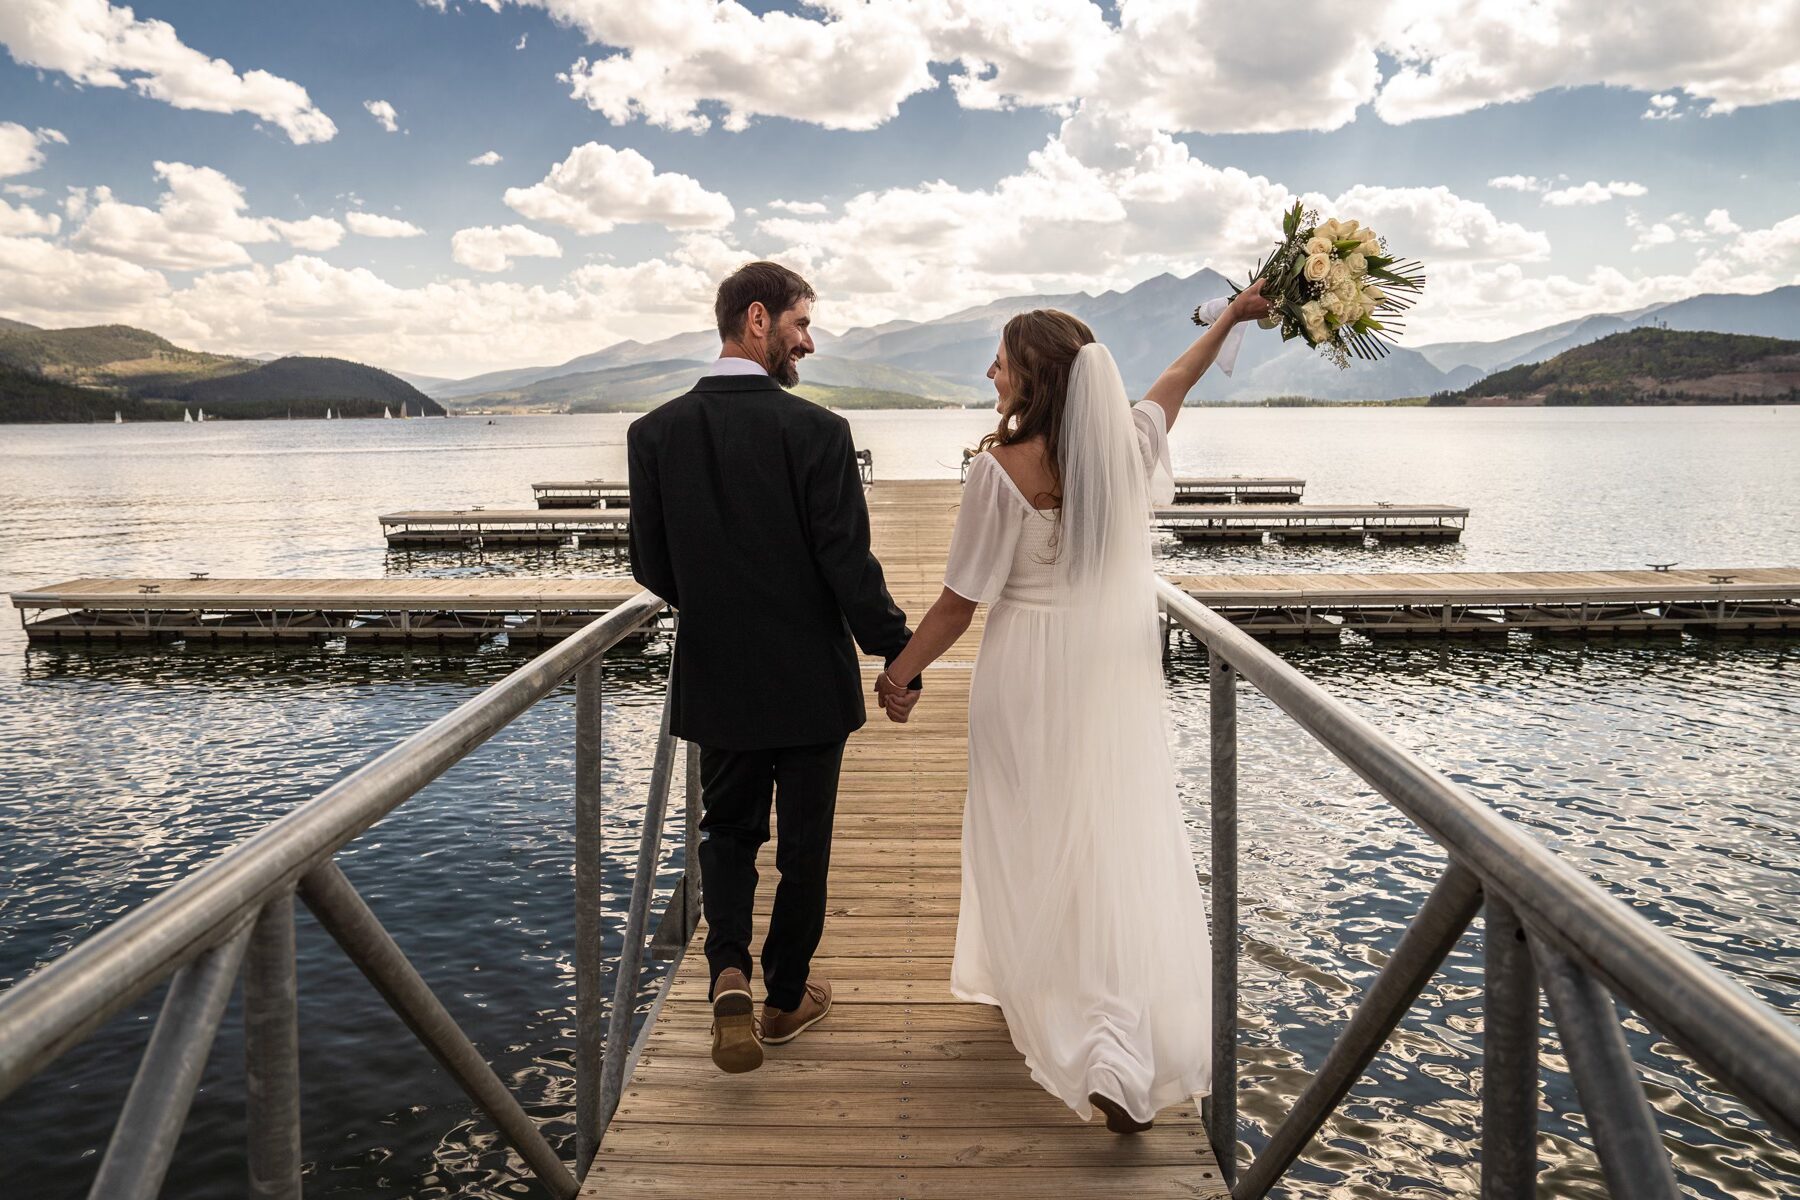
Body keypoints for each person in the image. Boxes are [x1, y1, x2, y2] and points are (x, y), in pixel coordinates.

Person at [875, 281, 1271, 1131]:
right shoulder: (1123, 448)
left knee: (1027, 830)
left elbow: (957, 604)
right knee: (1099, 839)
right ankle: (1116, 1039)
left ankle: (1057, 1006)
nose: (991, 372)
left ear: (1035, 379)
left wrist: (898, 674)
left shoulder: (999, 471)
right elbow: (1177, 379)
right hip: (1104, 675)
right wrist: (1232, 318)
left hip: (1023, 674)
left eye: (1003, 361)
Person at [626, 261, 921, 1075]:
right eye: (800, 323)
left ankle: (727, 971)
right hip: (806, 683)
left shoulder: (652, 434)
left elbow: (652, 564)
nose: (809, 341)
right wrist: (897, 649)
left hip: (718, 674)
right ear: (757, 320)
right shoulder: (818, 433)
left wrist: (720, 606)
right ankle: (785, 996)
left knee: (726, 832)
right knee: (805, 847)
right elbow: (846, 564)